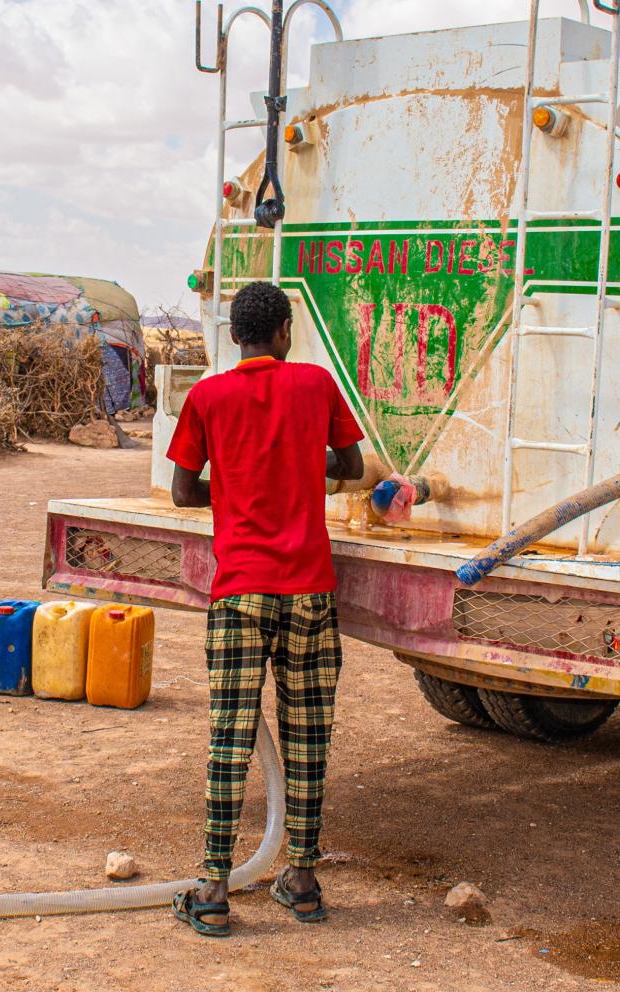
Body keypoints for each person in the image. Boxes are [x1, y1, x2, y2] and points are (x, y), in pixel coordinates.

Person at [164, 280, 365, 937]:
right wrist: (301, 462)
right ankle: (301, 881)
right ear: (283, 332)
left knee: (231, 737)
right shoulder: (314, 386)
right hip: (309, 589)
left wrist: (241, 479)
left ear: (236, 335)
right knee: (308, 737)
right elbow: (354, 465)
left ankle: (215, 890)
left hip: (240, 592)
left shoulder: (208, 396)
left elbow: (181, 493)